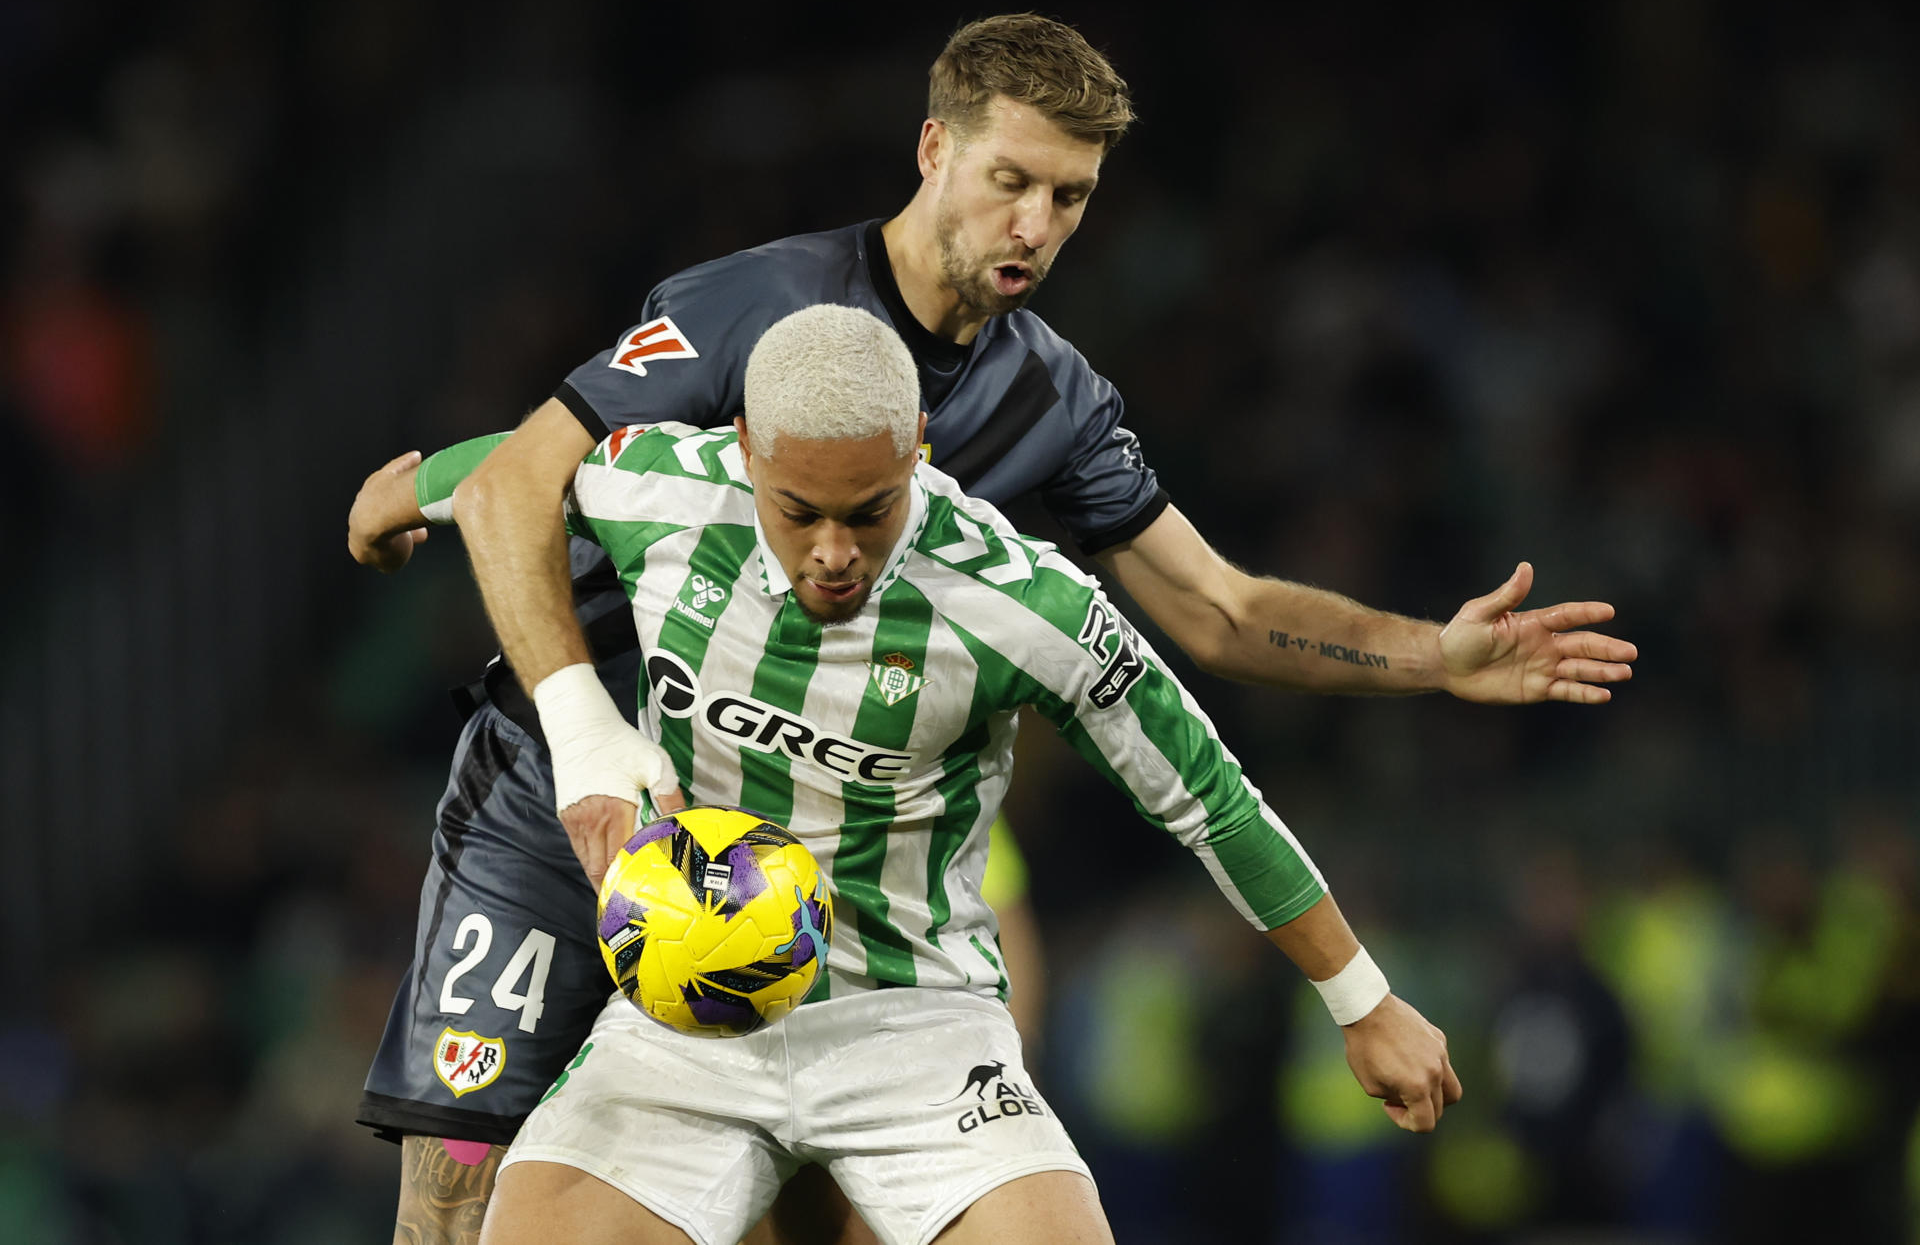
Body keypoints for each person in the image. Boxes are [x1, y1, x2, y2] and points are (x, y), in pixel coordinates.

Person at [347, 14, 1633, 1243]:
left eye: (1070, 198)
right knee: (459, 1182)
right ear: (933, 149)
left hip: (794, 839)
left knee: (811, 1209)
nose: (1036, 225)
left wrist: (1430, 653)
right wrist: (448, 544)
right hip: (562, 777)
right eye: (1012, 179)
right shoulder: (757, 306)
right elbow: (531, 474)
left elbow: (1217, 606)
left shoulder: (1052, 401)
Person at [355, 303, 1464, 1245]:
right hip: (681, 1020)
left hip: (913, 1025)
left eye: (869, 509)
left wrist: (1361, 999)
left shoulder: (1026, 602)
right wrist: (393, 502)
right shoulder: (662, 486)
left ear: (919, 448)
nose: (834, 549)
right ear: (744, 449)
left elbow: (1209, 796)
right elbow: (506, 471)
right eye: (801, 513)